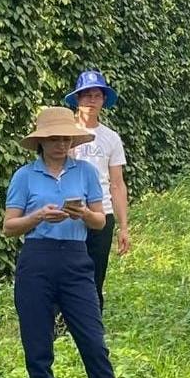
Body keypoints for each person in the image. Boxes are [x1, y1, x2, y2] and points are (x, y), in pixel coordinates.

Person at [3, 106, 121, 378]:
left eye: (66, 138)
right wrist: (38, 217)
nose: (61, 144)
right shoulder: (25, 176)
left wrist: (82, 213)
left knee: (93, 338)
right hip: (36, 260)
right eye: (54, 138)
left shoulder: (86, 172)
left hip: (76, 259)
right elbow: (9, 226)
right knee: (37, 339)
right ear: (41, 141)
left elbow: (100, 221)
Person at [65, 69, 130, 307]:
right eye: (86, 95)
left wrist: (124, 227)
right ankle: (61, 322)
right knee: (66, 270)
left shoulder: (111, 138)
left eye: (97, 95)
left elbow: (117, 183)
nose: (91, 100)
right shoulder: (63, 135)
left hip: (102, 213)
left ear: (103, 100)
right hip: (69, 213)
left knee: (95, 274)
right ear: (77, 99)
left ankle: (91, 322)